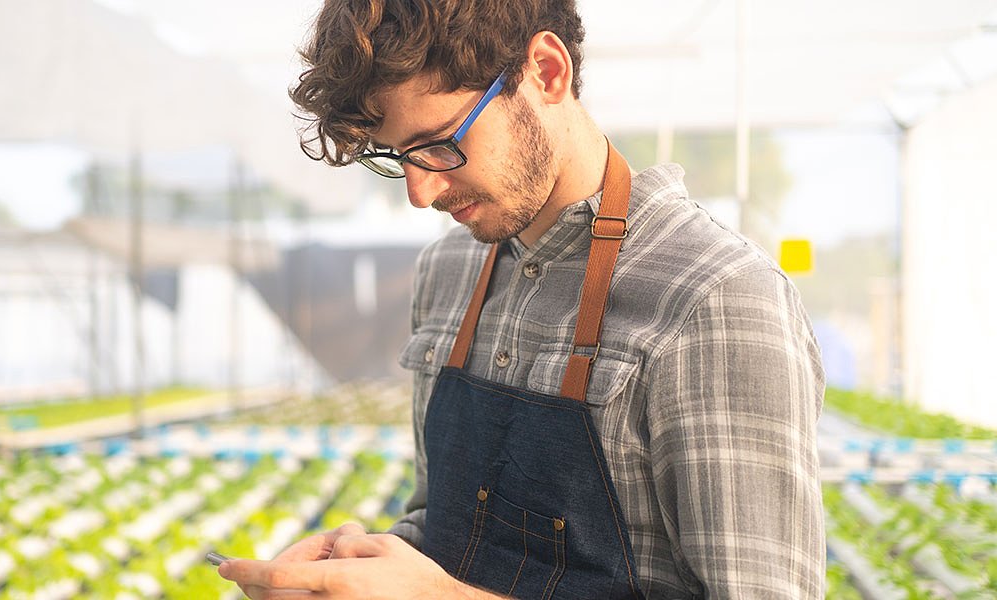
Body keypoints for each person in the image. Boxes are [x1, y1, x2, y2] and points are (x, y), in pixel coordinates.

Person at [217, 0, 825, 598]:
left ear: (546, 72)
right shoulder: (448, 271)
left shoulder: (712, 299)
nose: (420, 193)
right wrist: (356, 567)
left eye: (439, 143)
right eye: (397, 156)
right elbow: (447, 525)